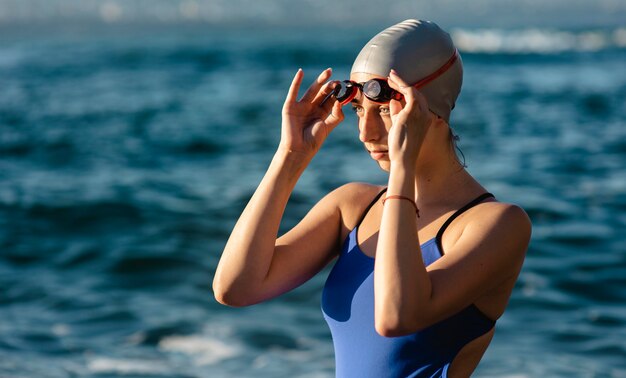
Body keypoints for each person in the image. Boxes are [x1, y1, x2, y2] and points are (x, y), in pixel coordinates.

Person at [213, 19, 531, 378]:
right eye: (359, 110)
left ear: (432, 110)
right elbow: (235, 288)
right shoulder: (352, 207)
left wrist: (402, 171)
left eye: (383, 111)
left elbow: (396, 316)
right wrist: (290, 156)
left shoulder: (497, 225)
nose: (366, 131)